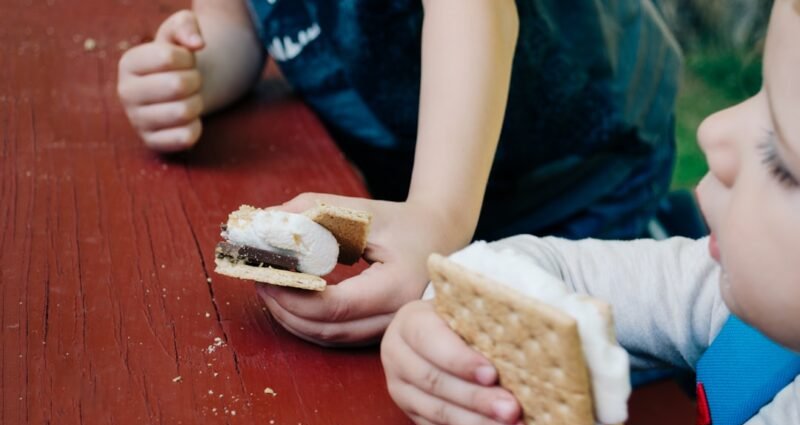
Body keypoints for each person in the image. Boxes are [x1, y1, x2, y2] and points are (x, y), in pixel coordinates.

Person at [117, 0, 680, 345]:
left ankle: (680, 245)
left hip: (578, 168)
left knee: (595, 352)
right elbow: (233, 22)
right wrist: (193, 75)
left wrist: (437, 215)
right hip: (413, 174)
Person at [380, 1, 800, 425]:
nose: (713, 130)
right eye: (757, 93)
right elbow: (525, 275)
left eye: (783, 161)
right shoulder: (719, 294)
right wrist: (440, 329)